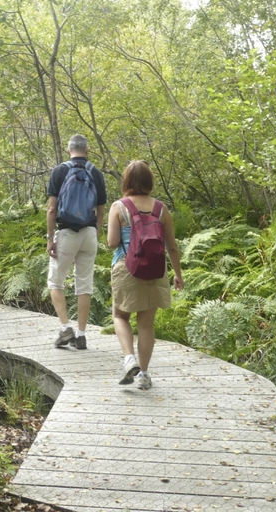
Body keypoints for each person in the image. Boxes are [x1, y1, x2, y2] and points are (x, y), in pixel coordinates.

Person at [107, 160, 184, 390]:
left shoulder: (118, 207)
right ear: (150, 180)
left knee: (120, 316)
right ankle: (143, 374)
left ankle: (129, 358)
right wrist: (178, 274)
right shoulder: (161, 209)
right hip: (155, 269)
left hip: (126, 267)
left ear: (126, 181)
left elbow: (112, 243)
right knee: (146, 325)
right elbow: (172, 247)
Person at [46, 134, 107, 350]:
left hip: (66, 232)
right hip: (89, 232)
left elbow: (52, 209)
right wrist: (96, 232)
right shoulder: (96, 172)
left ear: (68, 149)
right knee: (85, 285)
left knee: (55, 283)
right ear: (87, 150)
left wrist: (50, 238)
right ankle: (81, 335)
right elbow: (101, 209)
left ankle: (65, 328)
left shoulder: (60, 171)